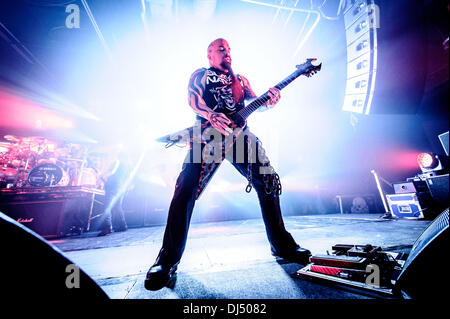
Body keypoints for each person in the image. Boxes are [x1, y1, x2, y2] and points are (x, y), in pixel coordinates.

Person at [144, 38, 311, 290]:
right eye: (221, 50)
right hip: (208, 134)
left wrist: (271, 100)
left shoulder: (241, 80)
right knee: (185, 190)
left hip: (241, 135)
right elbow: (193, 99)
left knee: (268, 181)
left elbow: (256, 103)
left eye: (229, 50)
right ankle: (166, 261)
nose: (227, 53)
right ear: (209, 55)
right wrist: (211, 114)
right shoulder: (201, 74)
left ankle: (282, 246)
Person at [97, 151, 130, 236]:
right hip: (121, 188)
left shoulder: (117, 162)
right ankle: (123, 225)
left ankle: (107, 227)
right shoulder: (127, 166)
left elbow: (112, 171)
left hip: (113, 187)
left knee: (107, 207)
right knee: (117, 207)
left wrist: (102, 175)